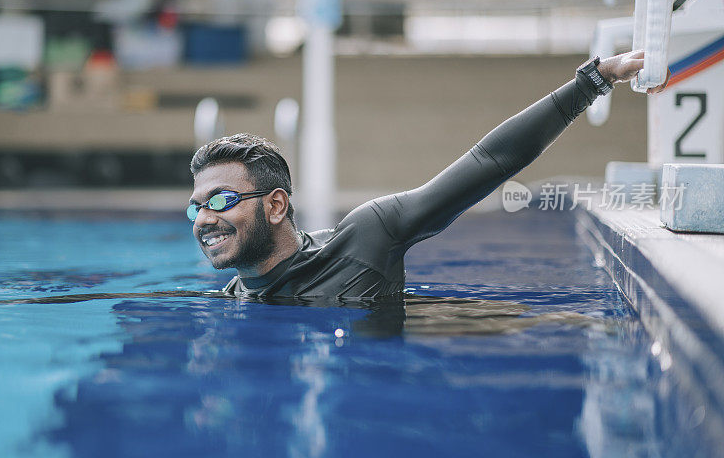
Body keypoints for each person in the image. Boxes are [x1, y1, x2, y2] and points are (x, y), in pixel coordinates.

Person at [188, 51, 667, 299]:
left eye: (219, 200)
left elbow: (489, 163)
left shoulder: (364, 238)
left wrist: (593, 81)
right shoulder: (237, 298)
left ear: (275, 205)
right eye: (196, 205)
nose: (202, 219)